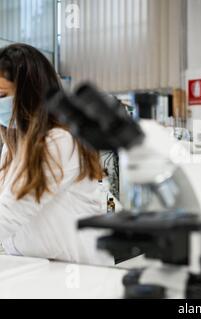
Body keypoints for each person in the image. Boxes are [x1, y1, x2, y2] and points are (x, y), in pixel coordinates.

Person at [0, 43, 112, 265]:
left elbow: (12, 210)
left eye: (2, 94)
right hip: (36, 266)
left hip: (76, 272)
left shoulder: (58, 141)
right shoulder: (13, 144)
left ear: (31, 93)